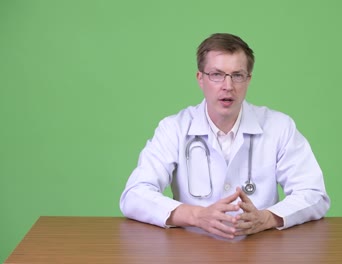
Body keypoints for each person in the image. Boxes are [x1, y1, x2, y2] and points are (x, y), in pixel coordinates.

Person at [120, 33, 330, 239]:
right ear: (200, 78)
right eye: (216, 74)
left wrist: (266, 218)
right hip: (192, 249)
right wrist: (197, 216)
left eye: (237, 75)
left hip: (260, 249)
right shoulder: (173, 128)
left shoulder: (279, 126)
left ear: (248, 80)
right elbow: (134, 195)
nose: (228, 86)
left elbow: (314, 194)